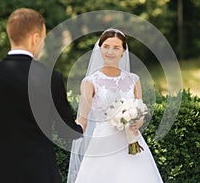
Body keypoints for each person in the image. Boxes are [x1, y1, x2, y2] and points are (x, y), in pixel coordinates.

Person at [0, 8, 83, 183]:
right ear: (35, 38)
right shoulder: (50, 78)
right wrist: (81, 126)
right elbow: (67, 133)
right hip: (40, 175)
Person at [67, 28, 163, 182]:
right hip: (102, 144)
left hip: (131, 142)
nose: (110, 52)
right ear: (100, 48)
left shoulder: (134, 80)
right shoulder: (90, 82)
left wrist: (137, 122)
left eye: (116, 48)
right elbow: (83, 120)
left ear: (123, 51)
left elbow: (140, 113)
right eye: (106, 46)